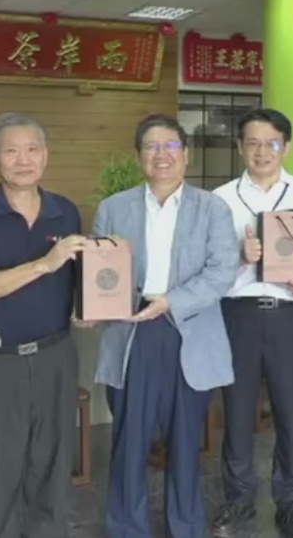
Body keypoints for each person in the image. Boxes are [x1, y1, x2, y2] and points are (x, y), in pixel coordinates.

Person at [93, 113, 238, 538]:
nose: (162, 154)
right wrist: (91, 306)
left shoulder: (212, 208)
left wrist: (171, 302)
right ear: (139, 156)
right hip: (131, 329)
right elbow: (99, 270)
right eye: (151, 146)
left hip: (189, 329)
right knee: (129, 440)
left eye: (171, 146)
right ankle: (127, 527)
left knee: (185, 441)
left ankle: (185, 527)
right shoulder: (112, 208)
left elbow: (222, 272)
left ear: (186, 155)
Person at [0, 112, 85, 538]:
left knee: (53, 467)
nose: (23, 159)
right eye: (11, 151)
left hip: (55, 357)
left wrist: (89, 307)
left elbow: (77, 281)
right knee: (2, 471)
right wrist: (44, 264)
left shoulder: (65, 212)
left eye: (32, 149)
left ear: (46, 155)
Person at [209, 109, 293, 538]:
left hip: (288, 314)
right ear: (239, 147)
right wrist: (241, 257)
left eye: (271, 143)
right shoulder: (220, 198)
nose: (262, 152)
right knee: (237, 411)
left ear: (286, 147)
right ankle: (238, 500)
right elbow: (209, 269)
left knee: (292, 412)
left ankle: (291, 504)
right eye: (253, 143)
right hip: (236, 314)